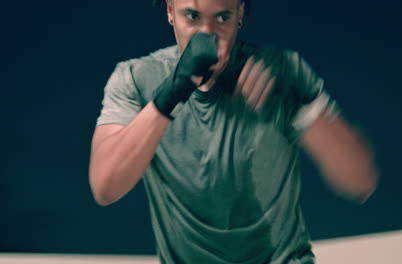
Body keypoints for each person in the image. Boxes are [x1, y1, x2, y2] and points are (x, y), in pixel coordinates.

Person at [89, 0, 379, 263]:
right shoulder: (135, 80)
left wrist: (303, 108)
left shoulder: (280, 71)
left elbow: (360, 181)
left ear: (239, 15)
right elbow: (105, 187)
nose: (207, 33)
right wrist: (170, 94)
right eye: (192, 16)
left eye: (222, 18)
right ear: (169, 12)